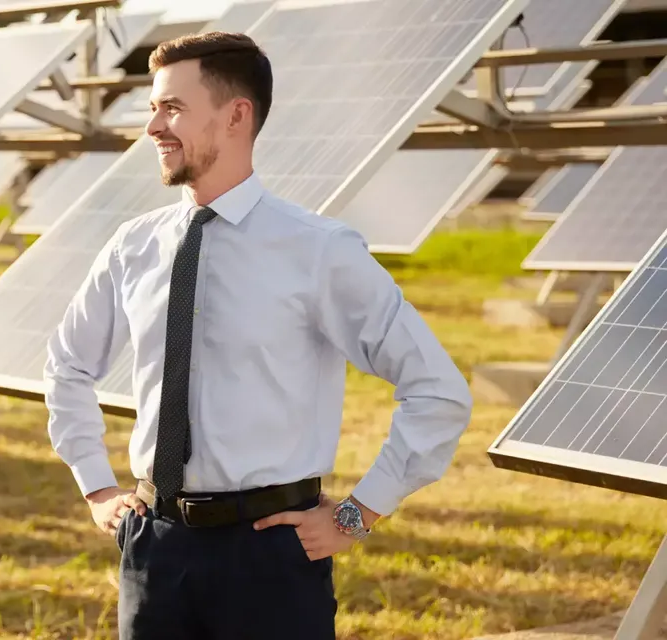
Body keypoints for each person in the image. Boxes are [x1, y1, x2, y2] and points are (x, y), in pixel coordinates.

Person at [42, 31, 474, 639]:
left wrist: (357, 513)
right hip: (153, 549)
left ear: (236, 116)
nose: (153, 129)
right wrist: (96, 487)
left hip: (270, 557)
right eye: (153, 110)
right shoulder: (133, 246)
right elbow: (66, 365)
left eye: (173, 109)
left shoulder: (318, 250)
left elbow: (437, 390)